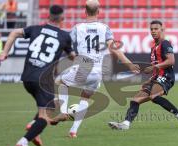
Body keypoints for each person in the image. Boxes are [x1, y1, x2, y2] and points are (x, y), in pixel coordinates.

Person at [52, 0, 140, 138]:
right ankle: (73, 131)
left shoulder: (78, 28)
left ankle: (63, 111)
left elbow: (65, 44)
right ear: (98, 12)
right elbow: (115, 50)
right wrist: (129, 64)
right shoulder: (105, 28)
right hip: (97, 72)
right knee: (85, 97)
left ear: (85, 11)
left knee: (60, 82)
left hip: (82, 68)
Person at [0, 5, 74, 146]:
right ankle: (23, 142)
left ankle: (35, 127)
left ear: (48, 17)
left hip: (27, 78)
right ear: (62, 19)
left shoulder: (34, 29)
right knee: (47, 116)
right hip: (43, 80)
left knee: (53, 105)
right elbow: (72, 56)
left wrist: (4, 52)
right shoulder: (65, 37)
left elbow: (14, 32)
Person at [108, 20, 178, 130]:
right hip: (156, 78)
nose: (153, 31)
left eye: (156, 29)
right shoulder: (153, 48)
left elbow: (171, 61)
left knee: (154, 96)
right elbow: (156, 66)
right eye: (151, 29)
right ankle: (125, 124)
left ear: (162, 30)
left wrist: (154, 67)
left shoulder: (165, 43)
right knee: (135, 100)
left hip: (166, 77)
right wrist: (150, 77)